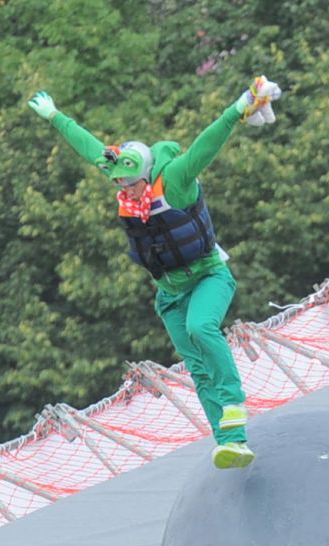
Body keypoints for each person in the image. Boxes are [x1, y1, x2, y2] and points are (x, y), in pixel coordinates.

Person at [28, 75, 282, 469]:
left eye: (129, 185)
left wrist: (238, 107)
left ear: (145, 175)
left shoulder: (175, 182)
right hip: (169, 293)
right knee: (196, 365)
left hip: (208, 277)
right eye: (119, 185)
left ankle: (233, 400)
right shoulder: (124, 179)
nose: (124, 192)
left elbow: (206, 145)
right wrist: (55, 116)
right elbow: (88, 146)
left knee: (203, 328)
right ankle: (231, 442)